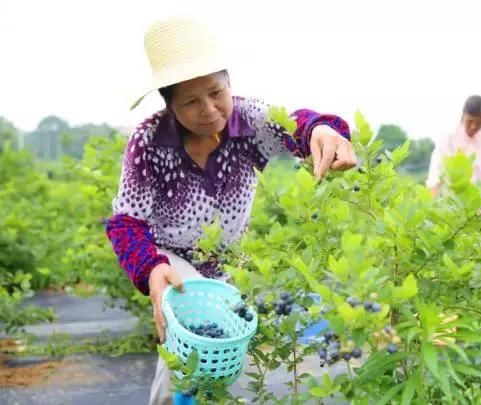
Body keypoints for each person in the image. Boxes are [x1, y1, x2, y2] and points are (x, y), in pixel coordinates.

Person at [105, 16, 357, 405]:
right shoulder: (149, 141)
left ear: (228, 84)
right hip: (172, 259)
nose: (209, 109)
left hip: (224, 266)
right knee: (186, 351)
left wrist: (321, 130)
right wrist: (151, 268)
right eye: (190, 101)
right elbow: (126, 223)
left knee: (214, 366)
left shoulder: (248, 120)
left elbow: (298, 123)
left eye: (215, 92)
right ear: (170, 105)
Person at [426, 95, 481, 196]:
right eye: (470, 121)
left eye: (479, 123)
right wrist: (432, 199)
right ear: (463, 115)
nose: (473, 126)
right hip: (450, 199)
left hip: (479, 199)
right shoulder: (448, 135)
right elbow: (436, 171)